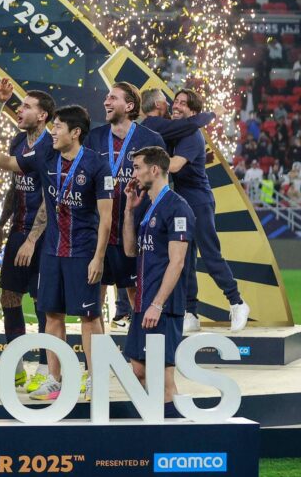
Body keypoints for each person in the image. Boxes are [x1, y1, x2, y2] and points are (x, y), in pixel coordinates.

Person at [0, 103, 112, 402]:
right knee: (52, 314)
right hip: (52, 251)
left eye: (58, 127)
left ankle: (95, 379)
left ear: (75, 132)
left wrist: (98, 257)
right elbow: (9, 163)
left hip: (83, 251)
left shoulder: (97, 164)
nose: (52, 132)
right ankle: (54, 380)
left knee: (89, 317)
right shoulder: (45, 156)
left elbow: (106, 218)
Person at [122, 146, 195, 418]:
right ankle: (152, 426)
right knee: (139, 371)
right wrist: (129, 211)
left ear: (154, 169)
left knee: (163, 380)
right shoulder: (147, 207)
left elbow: (177, 262)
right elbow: (131, 250)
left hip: (162, 306)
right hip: (144, 303)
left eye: (137, 168)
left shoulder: (178, 208)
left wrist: (157, 304)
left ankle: (174, 436)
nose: (133, 174)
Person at [168, 89, 249, 332]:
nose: (176, 106)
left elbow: (175, 166)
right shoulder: (177, 132)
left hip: (199, 202)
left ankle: (237, 302)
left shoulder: (192, 135)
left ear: (193, 112)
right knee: (185, 260)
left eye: (183, 104)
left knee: (211, 255)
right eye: (175, 101)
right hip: (182, 203)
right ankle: (191, 312)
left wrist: (148, 160)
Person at [0, 89, 54, 393]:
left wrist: (32, 239)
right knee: (9, 297)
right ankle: (15, 367)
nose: (19, 110)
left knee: (43, 302)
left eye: (26, 107)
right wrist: (2, 224)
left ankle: (45, 368)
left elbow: (49, 196)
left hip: (43, 236)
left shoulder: (52, 145)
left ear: (42, 115)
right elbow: (16, 186)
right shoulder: (17, 141)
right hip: (18, 231)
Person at [85, 83, 165, 321]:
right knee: (93, 304)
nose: (106, 102)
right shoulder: (95, 138)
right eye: (106, 97)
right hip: (100, 234)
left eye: (113, 98)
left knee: (138, 300)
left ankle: (141, 343)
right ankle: (95, 348)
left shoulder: (151, 139)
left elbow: (161, 188)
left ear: (129, 106)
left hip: (134, 234)